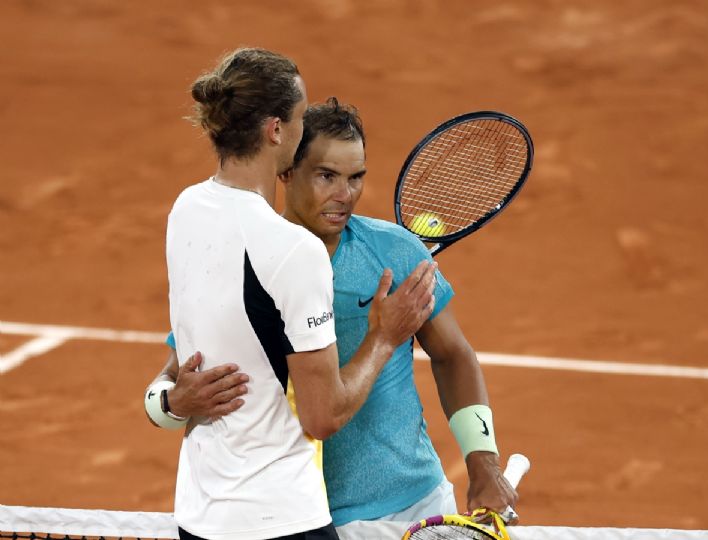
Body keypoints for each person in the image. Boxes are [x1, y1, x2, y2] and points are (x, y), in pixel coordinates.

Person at [147, 98, 518, 530]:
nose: (345, 195)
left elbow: (452, 355)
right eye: (326, 176)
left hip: (421, 503)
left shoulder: (394, 252)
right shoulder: (247, 259)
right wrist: (170, 405)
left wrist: (482, 463)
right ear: (286, 171)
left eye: (356, 177)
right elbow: (172, 376)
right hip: (314, 520)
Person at [152, 48, 437, 540]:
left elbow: (172, 384)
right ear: (275, 130)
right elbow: (323, 415)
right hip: (281, 520)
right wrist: (385, 338)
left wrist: (170, 404)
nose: (306, 129)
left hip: (199, 521)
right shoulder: (294, 251)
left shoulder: (186, 211)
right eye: (302, 117)